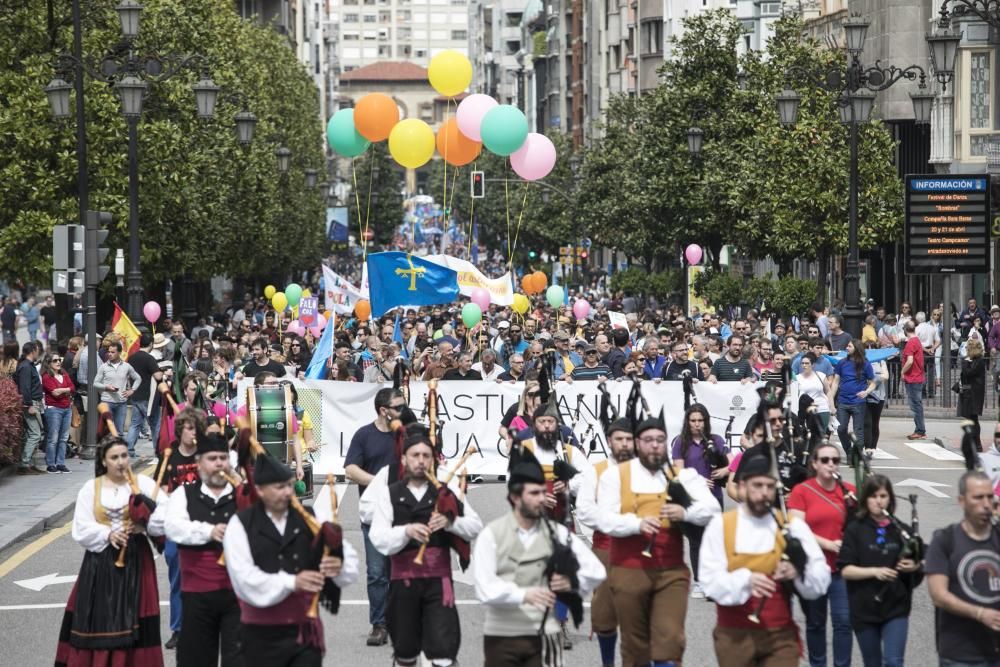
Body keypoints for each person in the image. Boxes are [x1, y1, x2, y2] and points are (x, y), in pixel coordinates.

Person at [595, 410, 721, 666]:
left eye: (660, 439)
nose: (655, 445)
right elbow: (604, 519)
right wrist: (636, 523)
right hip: (628, 570)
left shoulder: (682, 477)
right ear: (638, 443)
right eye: (649, 439)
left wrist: (685, 512)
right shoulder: (615, 476)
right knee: (635, 647)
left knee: (669, 640)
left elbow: (712, 508)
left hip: (670, 573)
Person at [472, 448, 606, 667]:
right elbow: (484, 589)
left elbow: (596, 572)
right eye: (533, 493)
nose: (541, 499)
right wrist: (523, 595)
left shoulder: (558, 533)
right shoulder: (493, 535)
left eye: (542, 493)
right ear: (516, 497)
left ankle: (560, 624)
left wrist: (573, 583)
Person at [223, 454, 358, 667]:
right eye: (279, 487)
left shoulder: (310, 516)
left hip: (304, 635)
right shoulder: (240, 525)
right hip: (258, 637)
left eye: (289, 485)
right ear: (259, 490)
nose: (288, 492)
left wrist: (339, 564)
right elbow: (244, 579)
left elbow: (347, 556)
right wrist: (292, 582)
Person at [699, 451, 831, 667]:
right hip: (734, 636)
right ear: (741, 487)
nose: (764, 493)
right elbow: (709, 582)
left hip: (779, 635)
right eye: (757, 486)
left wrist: (798, 571)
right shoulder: (721, 526)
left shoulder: (791, 528)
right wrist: (746, 579)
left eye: (769, 487)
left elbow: (820, 579)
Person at [369, 423, 483, 667]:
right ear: (404, 459)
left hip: (438, 584)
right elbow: (378, 537)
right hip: (402, 584)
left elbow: (475, 526)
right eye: (415, 455)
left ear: (433, 459)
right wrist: (406, 531)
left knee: (443, 652)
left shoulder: (444, 491)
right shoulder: (390, 493)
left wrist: (450, 522)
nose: (420, 461)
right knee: (405, 652)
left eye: (426, 456)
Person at [54, 435, 165, 666]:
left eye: (124, 455)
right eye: (114, 457)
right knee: (98, 616)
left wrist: (144, 522)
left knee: (136, 616)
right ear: (104, 461)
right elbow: (81, 527)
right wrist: (108, 533)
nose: (121, 461)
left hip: (136, 558)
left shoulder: (142, 485)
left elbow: (167, 517)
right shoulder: (91, 489)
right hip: (101, 561)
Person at [163, 430, 242, 666]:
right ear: (198, 463)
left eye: (223, 458)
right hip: (197, 597)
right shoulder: (183, 495)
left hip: (239, 597)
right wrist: (208, 531)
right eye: (212, 458)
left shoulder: (243, 496)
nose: (219, 463)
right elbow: (173, 527)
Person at [343, 388, 407, 647]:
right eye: (398, 407)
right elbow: (350, 470)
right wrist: (381, 482)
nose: (403, 412)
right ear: (383, 411)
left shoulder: (407, 434)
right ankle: (379, 624)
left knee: (403, 572)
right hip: (375, 516)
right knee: (377, 572)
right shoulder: (365, 435)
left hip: (405, 514)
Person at [839, 475, 924, 667]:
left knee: (894, 662)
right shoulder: (855, 530)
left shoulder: (901, 530)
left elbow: (920, 560)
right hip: (864, 608)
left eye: (883, 496)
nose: (879, 501)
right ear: (865, 500)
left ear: (890, 499)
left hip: (895, 607)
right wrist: (875, 572)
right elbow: (845, 570)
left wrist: (914, 566)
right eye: (873, 496)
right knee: (872, 663)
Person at [787, 442, 856, 667]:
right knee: (816, 623)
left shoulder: (849, 492)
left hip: (841, 570)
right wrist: (827, 544)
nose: (830, 464)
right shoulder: (802, 491)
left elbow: (859, 526)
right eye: (825, 460)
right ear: (815, 464)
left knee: (844, 622)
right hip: (814, 568)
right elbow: (796, 528)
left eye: (835, 460)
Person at [574, 418, 635, 667]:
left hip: (637, 549)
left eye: (628, 439)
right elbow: (584, 510)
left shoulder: (645, 470)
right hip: (605, 548)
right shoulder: (595, 470)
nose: (624, 444)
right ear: (609, 441)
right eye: (619, 439)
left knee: (637, 613)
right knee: (605, 613)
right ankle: (608, 662)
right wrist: (618, 521)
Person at [925, 471, 1000, 666]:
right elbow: (938, 595)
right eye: (978, 497)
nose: (986, 504)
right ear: (962, 501)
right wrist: (979, 614)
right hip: (960, 655)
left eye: (990, 497)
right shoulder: (945, 540)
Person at [154, 407, 207, 650]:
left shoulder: (207, 456)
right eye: (188, 428)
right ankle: (178, 629)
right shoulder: (170, 458)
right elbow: (159, 493)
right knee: (178, 580)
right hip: (177, 526)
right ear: (180, 430)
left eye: (196, 428)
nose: (192, 432)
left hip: (204, 525)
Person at [670, 403, 731, 598]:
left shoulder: (716, 440)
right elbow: (677, 471)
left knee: (714, 540)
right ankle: (698, 581)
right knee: (696, 541)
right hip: (692, 499)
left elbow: (733, 460)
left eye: (700, 420)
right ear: (687, 422)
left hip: (715, 498)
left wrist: (725, 470)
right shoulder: (681, 442)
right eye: (693, 420)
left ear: (706, 422)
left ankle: (714, 578)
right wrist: (696, 479)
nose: (697, 424)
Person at [830, 339, 876, 461]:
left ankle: (856, 455)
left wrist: (866, 392)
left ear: (856, 348)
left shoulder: (865, 364)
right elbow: (835, 382)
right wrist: (831, 400)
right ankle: (849, 452)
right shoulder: (842, 363)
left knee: (858, 431)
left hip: (858, 402)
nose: (847, 348)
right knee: (841, 429)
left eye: (849, 346)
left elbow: (873, 383)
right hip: (843, 401)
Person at [91, 341, 141, 438]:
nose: (110, 354)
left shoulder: (126, 366)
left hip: (121, 402)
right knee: (106, 431)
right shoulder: (103, 367)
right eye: (109, 352)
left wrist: (132, 390)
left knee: (119, 432)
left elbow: (138, 378)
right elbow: (95, 383)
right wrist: (106, 387)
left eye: (113, 352)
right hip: (107, 402)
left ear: (119, 353)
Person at [126, 332, 165, 458]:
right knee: (155, 424)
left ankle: (129, 449)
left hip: (135, 394)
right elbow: (158, 376)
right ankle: (158, 450)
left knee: (135, 423)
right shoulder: (149, 358)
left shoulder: (131, 357)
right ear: (151, 344)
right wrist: (164, 373)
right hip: (148, 396)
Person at [41, 351, 75, 474]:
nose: (58, 362)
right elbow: (54, 393)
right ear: (49, 363)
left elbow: (72, 388)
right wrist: (64, 391)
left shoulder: (64, 374)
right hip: (54, 409)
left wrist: (62, 390)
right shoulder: (46, 377)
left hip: (67, 409)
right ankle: (51, 464)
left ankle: (60, 463)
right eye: (55, 360)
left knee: (64, 438)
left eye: (59, 360)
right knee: (53, 438)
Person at [16, 341, 43, 475]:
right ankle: (24, 463)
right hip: (30, 403)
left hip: (33, 402)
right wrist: (29, 405)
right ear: (32, 350)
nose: (38, 352)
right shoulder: (26, 366)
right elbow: (25, 387)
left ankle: (28, 463)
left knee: (29, 434)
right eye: (37, 349)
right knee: (35, 434)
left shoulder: (28, 365)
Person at [959, 338, 988, 452]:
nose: (966, 350)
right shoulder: (973, 360)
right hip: (969, 392)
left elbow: (969, 373)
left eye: (967, 348)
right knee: (970, 418)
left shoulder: (979, 361)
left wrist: (965, 361)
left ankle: (977, 444)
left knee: (973, 419)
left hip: (974, 394)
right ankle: (974, 443)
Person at [900, 322, 926, 440]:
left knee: (915, 405)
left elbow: (910, 361)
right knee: (917, 405)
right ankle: (920, 430)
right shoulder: (917, 341)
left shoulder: (911, 343)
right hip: (917, 376)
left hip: (913, 378)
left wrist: (903, 371)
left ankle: (920, 430)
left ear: (905, 330)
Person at [797, 352, 834, 433]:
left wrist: (832, 407)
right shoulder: (797, 378)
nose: (804, 365)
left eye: (807, 363)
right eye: (802, 363)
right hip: (806, 411)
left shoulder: (821, 375)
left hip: (822, 408)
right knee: (809, 436)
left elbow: (828, 391)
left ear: (812, 364)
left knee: (822, 435)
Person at [863, 344, 890, 455]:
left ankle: (873, 446)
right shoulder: (863, 361)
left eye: (872, 348)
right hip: (865, 394)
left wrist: (872, 378)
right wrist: (876, 377)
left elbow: (886, 376)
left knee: (875, 422)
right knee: (867, 422)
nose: (870, 350)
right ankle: (867, 447)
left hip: (879, 395)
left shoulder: (881, 361)